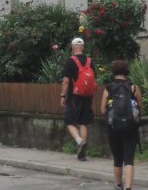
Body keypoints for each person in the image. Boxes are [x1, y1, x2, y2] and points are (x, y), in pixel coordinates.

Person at [101, 60, 143, 190]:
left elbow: (102, 110)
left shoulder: (108, 88)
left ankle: (119, 185)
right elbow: (140, 108)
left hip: (114, 129)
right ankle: (128, 187)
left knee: (117, 158)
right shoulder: (134, 88)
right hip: (131, 128)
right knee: (129, 158)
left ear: (114, 72)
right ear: (127, 72)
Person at [60, 37, 95, 161]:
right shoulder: (90, 61)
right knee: (83, 122)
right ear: (83, 47)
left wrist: (63, 96)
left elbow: (65, 80)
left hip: (74, 97)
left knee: (69, 121)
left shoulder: (71, 61)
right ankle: (82, 153)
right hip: (87, 96)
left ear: (73, 47)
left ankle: (80, 141)